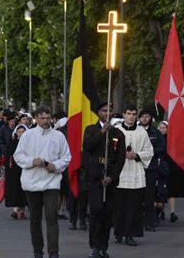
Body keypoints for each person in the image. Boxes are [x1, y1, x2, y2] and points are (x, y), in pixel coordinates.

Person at [14, 105, 71, 258]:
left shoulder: (59, 136)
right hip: (31, 183)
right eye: (42, 118)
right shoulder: (28, 135)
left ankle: (54, 253)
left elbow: (66, 157)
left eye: (48, 118)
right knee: (35, 219)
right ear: (36, 118)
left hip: (52, 181)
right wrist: (32, 161)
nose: (45, 121)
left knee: (52, 217)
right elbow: (18, 156)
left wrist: (56, 165)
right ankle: (37, 251)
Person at [83, 102, 126, 258]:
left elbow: (121, 158)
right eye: (103, 110)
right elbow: (87, 146)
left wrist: (112, 177)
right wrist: (102, 132)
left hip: (110, 176)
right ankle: (94, 245)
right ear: (98, 112)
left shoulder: (118, 134)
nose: (107, 113)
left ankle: (103, 246)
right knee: (96, 210)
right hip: (95, 175)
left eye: (109, 110)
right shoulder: (91, 129)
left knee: (107, 213)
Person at [114, 105, 153, 246]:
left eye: (134, 114)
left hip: (135, 173)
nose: (131, 116)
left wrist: (136, 155)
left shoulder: (142, 132)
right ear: (124, 114)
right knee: (119, 206)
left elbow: (149, 151)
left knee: (134, 206)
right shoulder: (116, 130)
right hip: (120, 173)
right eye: (128, 113)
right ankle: (118, 232)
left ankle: (130, 235)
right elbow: (109, 150)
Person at [138, 110, 165, 231]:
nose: (144, 118)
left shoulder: (155, 132)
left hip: (151, 167)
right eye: (142, 116)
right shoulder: (136, 130)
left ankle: (149, 222)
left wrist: (150, 152)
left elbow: (162, 148)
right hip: (137, 166)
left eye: (147, 116)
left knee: (149, 195)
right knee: (137, 195)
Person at [158, 120, 184, 223]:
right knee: (160, 191)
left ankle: (172, 212)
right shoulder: (157, 139)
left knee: (171, 191)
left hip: (171, 167)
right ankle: (160, 211)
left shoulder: (172, 140)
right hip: (160, 166)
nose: (161, 130)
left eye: (164, 128)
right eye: (160, 128)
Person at [5, 124, 28, 219]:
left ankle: (22, 210)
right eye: (19, 132)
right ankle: (15, 210)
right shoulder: (12, 143)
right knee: (15, 188)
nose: (21, 133)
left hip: (26, 168)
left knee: (24, 189)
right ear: (16, 133)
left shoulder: (29, 143)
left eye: (23, 132)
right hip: (14, 169)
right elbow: (8, 157)